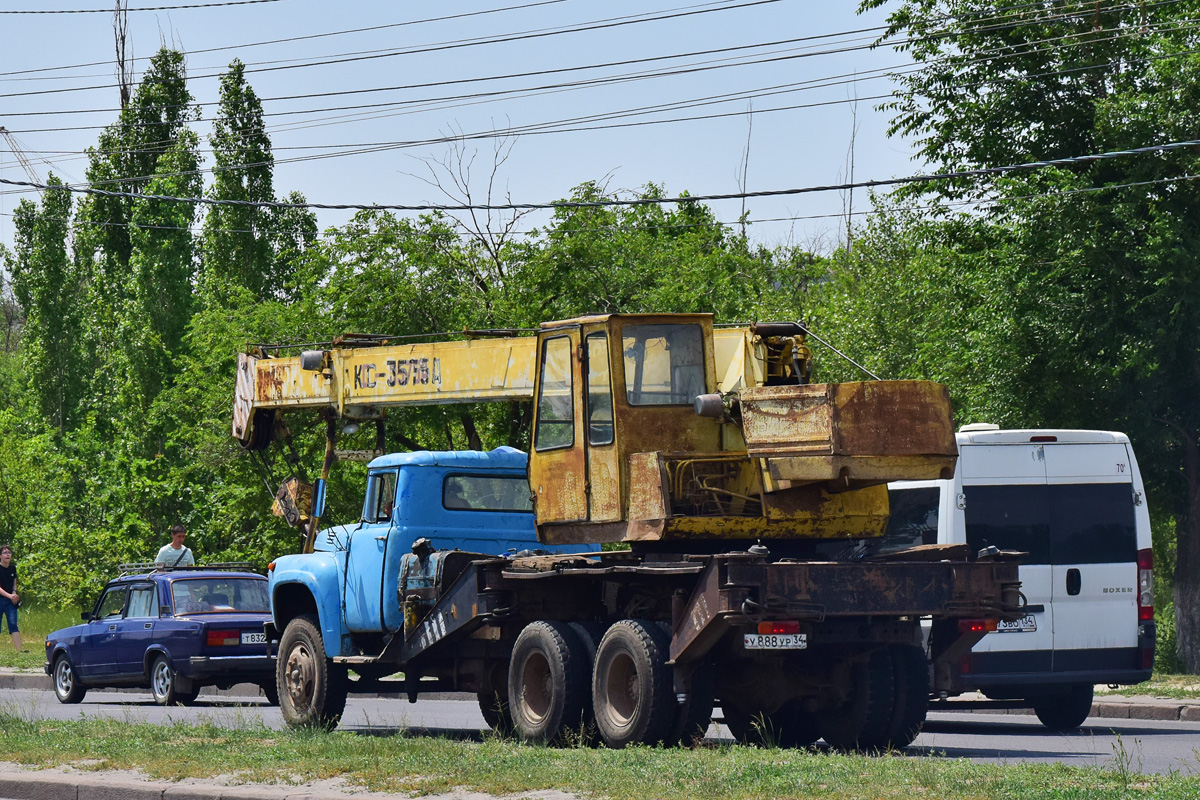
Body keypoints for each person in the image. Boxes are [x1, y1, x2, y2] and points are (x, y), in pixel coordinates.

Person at [0, 545, 24, 652]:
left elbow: (14, 583)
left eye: (9, 553)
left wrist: (14, 593)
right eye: (5, 553)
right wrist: (9, 596)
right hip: (1, 599)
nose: (7, 554)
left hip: (11, 601)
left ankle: (19, 651)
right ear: (0, 556)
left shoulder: (13, 568)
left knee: (13, 624)